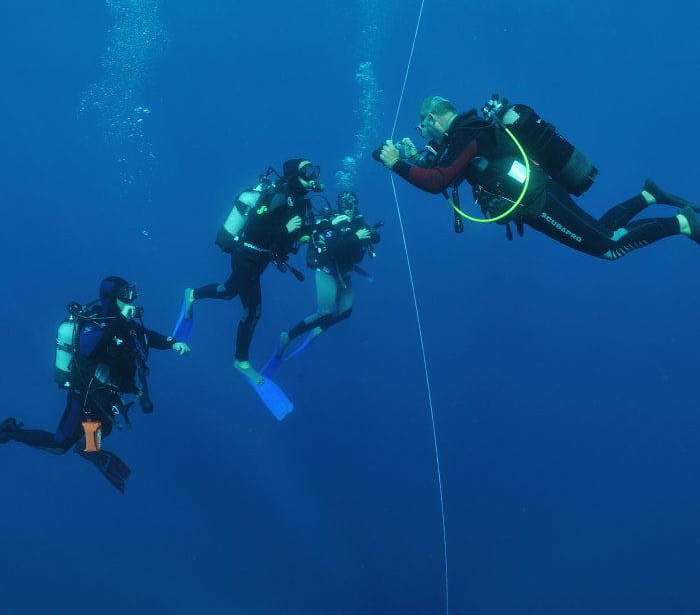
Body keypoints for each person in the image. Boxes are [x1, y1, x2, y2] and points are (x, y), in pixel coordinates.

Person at [377, 96, 700, 260]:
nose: (424, 135)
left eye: (422, 128)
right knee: (604, 231)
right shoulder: (467, 132)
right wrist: (415, 159)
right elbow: (449, 172)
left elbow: (437, 182)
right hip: (538, 197)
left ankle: (683, 223)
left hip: (540, 201)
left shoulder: (465, 133)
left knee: (610, 247)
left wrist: (395, 163)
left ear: (432, 117)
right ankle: (649, 195)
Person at [0, 276, 190, 493]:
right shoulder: (94, 324)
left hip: (105, 400)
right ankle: (11, 432)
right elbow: (89, 349)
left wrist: (173, 343)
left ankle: (88, 448)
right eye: (125, 295)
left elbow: (147, 336)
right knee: (58, 445)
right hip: (83, 400)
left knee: (102, 428)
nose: (131, 300)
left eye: (132, 294)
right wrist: (120, 320)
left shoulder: (125, 324)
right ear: (111, 298)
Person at [183, 159, 322, 384]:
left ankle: (193, 294)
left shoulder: (298, 201)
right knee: (253, 311)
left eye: (314, 170)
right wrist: (285, 230)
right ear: (293, 176)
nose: (312, 175)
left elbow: (288, 229)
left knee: (228, 291)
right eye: (306, 171)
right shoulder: (279, 197)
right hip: (246, 256)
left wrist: (302, 233)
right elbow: (255, 228)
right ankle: (241, 361)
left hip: (261, 258)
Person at [278, 190, 381, 356]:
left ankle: (320, 328)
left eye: (352, 204)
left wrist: (371, 234)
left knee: (345, 311)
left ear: (356, 205)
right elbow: (333, 251)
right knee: (324, 314)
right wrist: (356, 237)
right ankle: (288, 337)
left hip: (345, 273)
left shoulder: (359, 222)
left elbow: (376, 238)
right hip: (327, 272)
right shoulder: (331, 222)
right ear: (339, 205)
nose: (349, 208)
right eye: (345, 204)